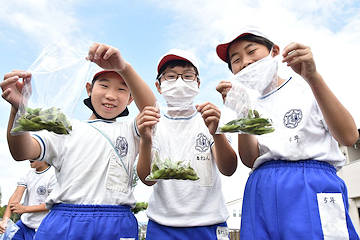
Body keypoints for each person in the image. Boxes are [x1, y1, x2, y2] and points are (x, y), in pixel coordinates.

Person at [215, 25, 360, 239]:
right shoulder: (247, 104)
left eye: (252, 51)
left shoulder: (307, 88)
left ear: (274, 52)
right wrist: (243, 113)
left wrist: (312, 76)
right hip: (261, 189)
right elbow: (249, 159)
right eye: (236, 60)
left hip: (310, 184)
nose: (245, 61)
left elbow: (348, 136)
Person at [1, 43, 156, 240]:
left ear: (131, 99)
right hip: (65, 220)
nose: (111, 94)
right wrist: (18, 109)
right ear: (89, 89)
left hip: (116, 221)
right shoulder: (66, 128)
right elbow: (21, 151)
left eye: (122, 89)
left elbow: (152, 108)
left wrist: (124, 67)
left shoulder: (131, 129)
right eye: (104, 85)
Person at [136, 49, 238, 240]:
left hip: (210, 223)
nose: (180, 82)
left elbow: (228, 168)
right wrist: (146, 140)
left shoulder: (209, 117)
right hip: (162, 225)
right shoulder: (154, 121)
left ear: (198, 84)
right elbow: (147, 179)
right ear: (158, 86)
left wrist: (217, 132)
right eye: (171, 77)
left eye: (188, 76)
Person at [0, 160, 56, 240]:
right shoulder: (28, 174)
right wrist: (5, 221)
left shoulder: (53, 175)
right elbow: (15, 197)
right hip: (24, 224)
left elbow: (51, 204)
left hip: (41, 227)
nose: (30, 157)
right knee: (8, 236)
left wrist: (25, 209)